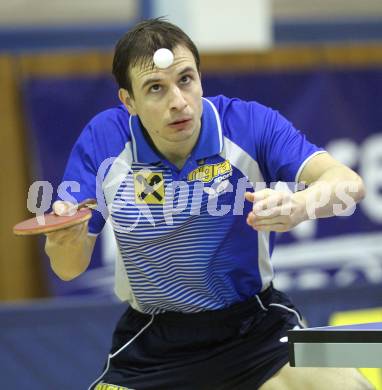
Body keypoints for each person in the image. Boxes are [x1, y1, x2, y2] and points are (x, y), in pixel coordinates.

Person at [45, 18, 373, 390]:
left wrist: (299, 205)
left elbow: (347, 183)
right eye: (156, 88)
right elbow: (68, 269)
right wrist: (65, 240)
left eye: (185, 80)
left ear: (200, 78)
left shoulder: (247, 124)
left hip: (257, 329)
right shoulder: (104, 141)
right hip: (155, 346)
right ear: (129, 101)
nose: (178, 102)